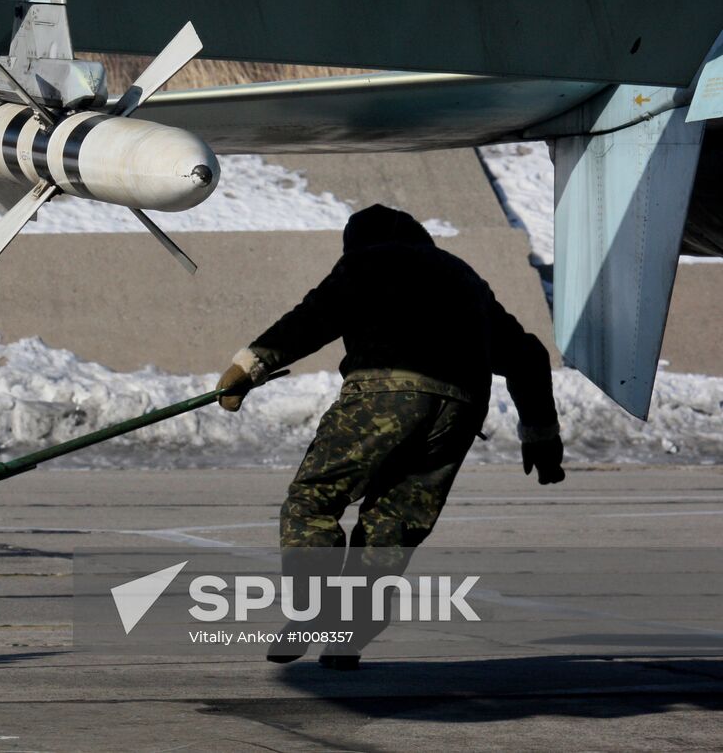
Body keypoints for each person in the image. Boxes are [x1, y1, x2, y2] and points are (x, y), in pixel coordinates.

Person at [216, 204, 563, 668]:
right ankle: (347, 636)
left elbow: (314, 318)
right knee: (392, 526)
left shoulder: (368, 260)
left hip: (387, 390)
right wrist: (540, 435)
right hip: (460, 407)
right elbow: (528, 356)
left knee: (314, 499)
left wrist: (251, 365)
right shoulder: (463, 276)